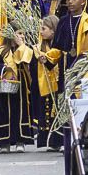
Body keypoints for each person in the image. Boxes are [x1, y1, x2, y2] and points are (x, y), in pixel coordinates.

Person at [0, 0, 45, 152]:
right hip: (7, 45)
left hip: (28, 45)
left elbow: (41, 21)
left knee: (29, 91)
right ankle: (5, 137)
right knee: (7, 98)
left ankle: (29, 128)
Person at [31, 16, 63, 150]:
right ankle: (48, 140)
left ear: (53, 31)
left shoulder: (59, 47)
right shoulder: (38, 48)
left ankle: (58, 140)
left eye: (44, 29)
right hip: (43, 84)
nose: (41, 31)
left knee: (57, 111)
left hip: (57, 83)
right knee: (46, 111)